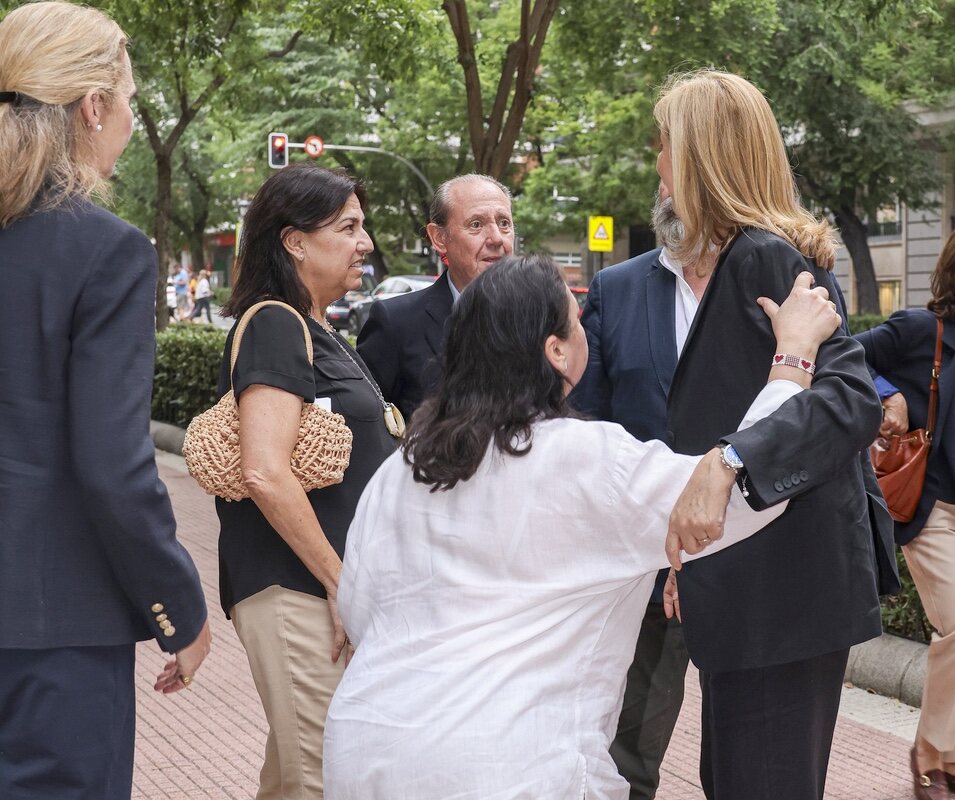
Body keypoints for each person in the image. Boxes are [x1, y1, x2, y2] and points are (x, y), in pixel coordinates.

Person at [324, 254, 844, 799]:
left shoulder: (401, 469)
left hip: (366, 749)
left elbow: (360, 611)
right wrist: (793, 359)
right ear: (556, 352)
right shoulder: (588, 461)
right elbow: (731, 497)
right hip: (509, 762)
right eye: (576, 320)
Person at [654, 69, 896, 800]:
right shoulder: (749, 256)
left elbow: (850, 400)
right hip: (762, 594)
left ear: (700, 156)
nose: (656, 164)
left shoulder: (761, 256)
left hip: (779, 602)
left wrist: (728, 462)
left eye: (663, 144)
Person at [0, 3, 211, 798]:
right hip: (53, 634)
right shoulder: (105, 251)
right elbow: (115, 468)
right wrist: (180, 610)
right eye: (128, 101)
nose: (127, 120)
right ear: (92, 107)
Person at [216, 163, 399, 800]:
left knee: (297, 776)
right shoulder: (273, 321)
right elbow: (265, 470)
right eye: (348, 226)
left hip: (320, 588)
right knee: (324, 780)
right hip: (296, 587)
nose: (365, 242)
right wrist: (339, 580)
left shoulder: (319, 327)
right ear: (294, 240)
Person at [571, 183, 717, 799]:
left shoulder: (779, 277)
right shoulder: (618, 288)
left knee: (750, 757)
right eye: (660, 174)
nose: (662, 188)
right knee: (628, 751)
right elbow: (585, 422)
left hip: (757, 553)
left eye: (676, 169)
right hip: (648, 560)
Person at [855, 230, 955, 800]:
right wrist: (887, 390)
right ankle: (933, 756)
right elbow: (841, 350)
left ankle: (941, 750)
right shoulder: (921, 331)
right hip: (931, 508)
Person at [357, 173, 514, 420]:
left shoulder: (541, 317)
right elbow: (369, 429)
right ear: (439, 238)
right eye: (476, 225)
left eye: (504, 223)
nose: (496, 238)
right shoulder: (395, 323)